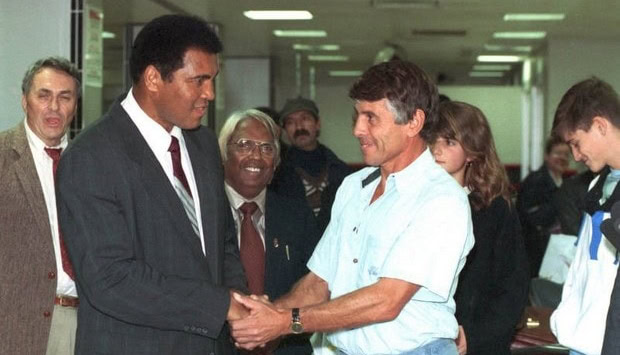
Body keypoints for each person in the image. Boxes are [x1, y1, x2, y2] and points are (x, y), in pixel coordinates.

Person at [230, 60, 475, 355]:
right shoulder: (354, 187)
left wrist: (285, 321)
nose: (358, 129)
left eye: (371, 117)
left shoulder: (441, 199)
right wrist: (261, 317)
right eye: (357, 116)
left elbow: (386, 300)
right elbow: (320, 281)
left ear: (414, 122)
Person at [56, 15, 248, 355]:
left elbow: (223, 243)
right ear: (153, 78)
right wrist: (218, 305)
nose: (210, 94)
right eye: (199, 81)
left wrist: (239, 304)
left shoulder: (202, 145)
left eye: (213, 80)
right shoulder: (91, 156)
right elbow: (110, 280)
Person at [430, 101, 529, 355]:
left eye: (450, 142)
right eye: (433, 141)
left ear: (472, 152)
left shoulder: (495, 209)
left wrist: (474, 335)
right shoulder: (416, 203)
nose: (437, 150)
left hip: (478, 340)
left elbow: (512, 286)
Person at [218, 109, 320, 354]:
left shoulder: (298, 217)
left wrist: (285, 327)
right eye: (244, 145)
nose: (256, 156)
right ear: (223, 154)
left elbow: (319, 294)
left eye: (266, 148)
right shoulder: (199, 214)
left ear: (275, 163)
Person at [0, 57, 80, 355]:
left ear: (75, 105)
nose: (54, 107)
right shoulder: (3, 157)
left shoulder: (91, 163)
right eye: (43, 96)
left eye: (65, 97)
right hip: (13, 329)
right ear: (25, 101)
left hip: (84, 326)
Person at [548, 77, 620, 355]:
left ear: (600, 126)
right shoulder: (595, 186)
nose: (576, 156)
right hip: (584, 338)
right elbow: (582, 270)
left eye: (577, 144)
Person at [270, 97, 351, 233]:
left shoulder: (340, 170)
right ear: (284, 131)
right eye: (291, 122)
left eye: (305, 119)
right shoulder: (277, 175)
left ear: (317, 124)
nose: (299, 127)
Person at [517, 136, 571, 277]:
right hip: (535, 252)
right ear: (547, 156)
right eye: (557, 153)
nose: (562, 158)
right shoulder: (535, 181)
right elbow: (531, 218)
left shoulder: (565, 183)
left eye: (566, 154)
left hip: (555, 250)